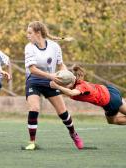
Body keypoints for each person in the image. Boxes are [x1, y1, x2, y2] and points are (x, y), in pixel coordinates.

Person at [49, 65, 126, 148]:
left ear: (70, 83)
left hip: (109, 100)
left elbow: (71, 93)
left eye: (64, 85)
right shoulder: (74, 80)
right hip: (110, 91)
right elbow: (66, 85)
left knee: (114, 119)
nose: (63, 87)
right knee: (123, 114)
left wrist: (57, 87)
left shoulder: (80, 87)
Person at [22, 21, 84, 150]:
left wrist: (66, 75)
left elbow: (61, 65)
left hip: (51, 81)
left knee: (62, 112)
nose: (27, 35)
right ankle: (32, 142)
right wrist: (51, 76)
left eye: (30, 33)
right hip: (34, 80)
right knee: (34, 108)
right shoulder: (29, 47)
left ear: (38, 33)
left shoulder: (54, 47)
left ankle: (73, 134)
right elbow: (32, 69)